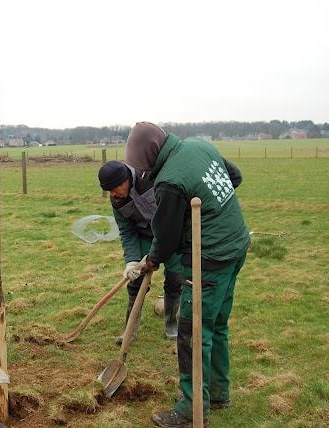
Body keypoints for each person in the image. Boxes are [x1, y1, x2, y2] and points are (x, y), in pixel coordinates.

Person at [123, 122, 249, 427]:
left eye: (143, 166)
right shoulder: (199, 145)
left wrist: (151, 260)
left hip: (210, 258)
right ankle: (219, 393)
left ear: (151, 155)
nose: (143, 172)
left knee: (192, 333)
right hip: (237, 244)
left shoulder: (169, 180)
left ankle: (192, 407)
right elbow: (234, 177)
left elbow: (164, 239)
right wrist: (213, 210)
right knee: (216, 324)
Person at [98, 160, 182, 344]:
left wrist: (159, 251)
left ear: (125, 181)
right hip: (145, 236)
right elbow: (127, 232)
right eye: (109, 191)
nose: (112, 195)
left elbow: (172, 213)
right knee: (135, 282)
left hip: (172, 235)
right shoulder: (117, 200)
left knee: (175, 280)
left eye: (113, 189)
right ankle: (130, 331)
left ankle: (171, 325)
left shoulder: (151, 178)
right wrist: (131, 261)